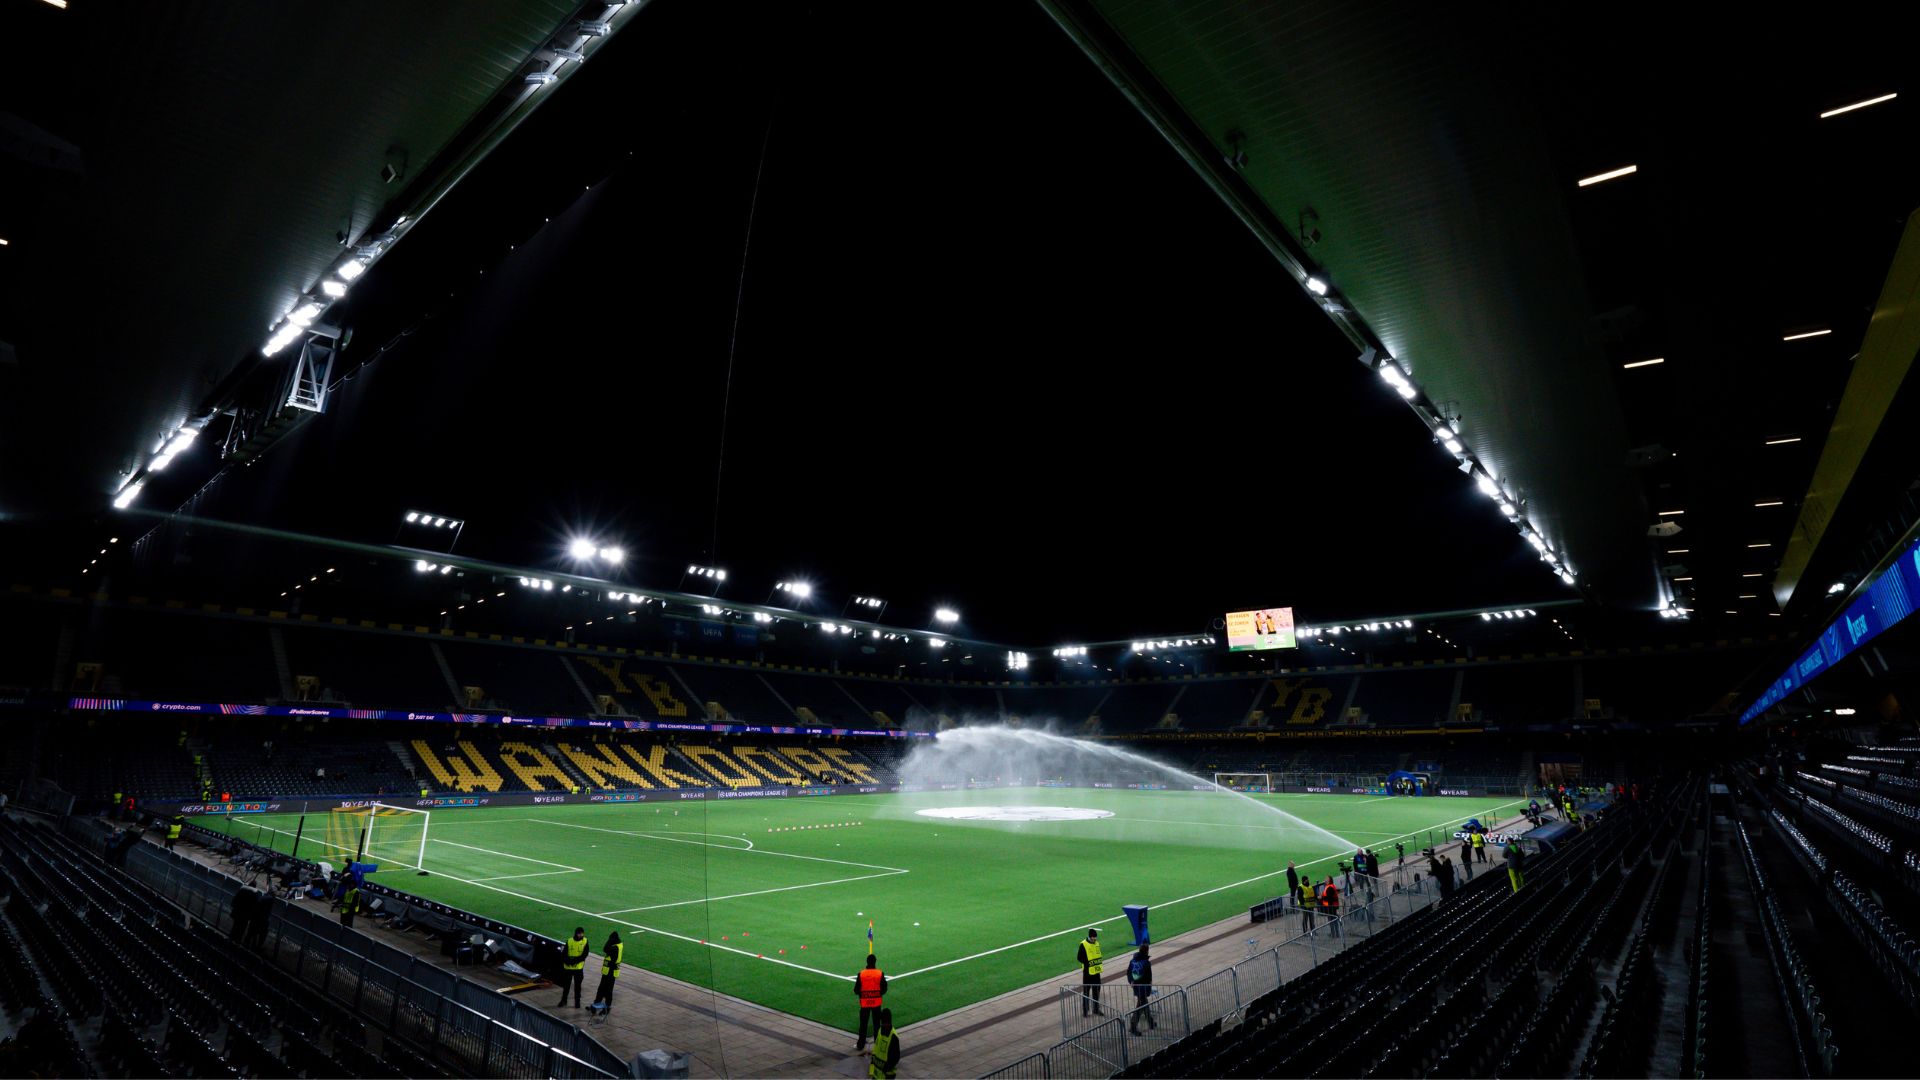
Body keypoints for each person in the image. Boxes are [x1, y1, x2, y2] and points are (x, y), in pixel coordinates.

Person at [854, 953, 888, 1051]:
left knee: (863, 1024)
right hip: (876, 1003)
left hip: (864, 1004)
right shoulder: (879, 973)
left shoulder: (861, 974)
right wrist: (878, 994)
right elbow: (884, 988)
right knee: (877, 1025)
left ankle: (860, 1045)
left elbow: (856, 990)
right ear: (875, 962)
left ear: (867, 962)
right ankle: (878, 1045)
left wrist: (863, 995)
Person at [591, 931, 623, 1012]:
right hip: (608, 971)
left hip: (610, 972)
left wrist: (609, 941)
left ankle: (607, 1008)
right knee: (602, 988)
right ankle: (597, 1004)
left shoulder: (615, 948)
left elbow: (605, 948)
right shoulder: (617, 945)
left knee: (608, 990)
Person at [557, 927, 589, 1008]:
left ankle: (577, 1002)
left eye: (582, 933)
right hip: (568, 968)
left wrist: (574, 961)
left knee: (577, 986)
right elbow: (564, 953)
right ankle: (564, 1000)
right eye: (580, 933)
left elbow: (585, 954)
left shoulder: (585, 941)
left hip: (578, 968)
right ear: (576, 933)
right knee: (566, 986)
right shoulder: (570, 940)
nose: (581, 935)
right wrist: (568, 961)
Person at [1076, 929, 1104, 1016]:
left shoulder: (1097, 943)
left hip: (1096, 972)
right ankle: (1085, 1010)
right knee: (1086, 992)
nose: (1095, 939)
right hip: (1088, 973)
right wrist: (1087, 963)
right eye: (1093, 938)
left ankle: (1096, 1009)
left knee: (1096, 991)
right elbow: (1079, 957)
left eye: (1095, 938)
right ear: (1090, 936)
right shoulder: (1083, 944)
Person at [868, 1008, 900, 1080]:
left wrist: (886, 1068)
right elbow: (875, 1050)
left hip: (887, 1075)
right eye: (883, 1023)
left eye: (886, 1023)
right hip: (877, 1074)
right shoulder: (880, 1031)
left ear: (890, 1022)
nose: (884, 1025)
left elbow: (896, 1057)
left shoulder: (893, 1037)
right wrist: (871, 1070)